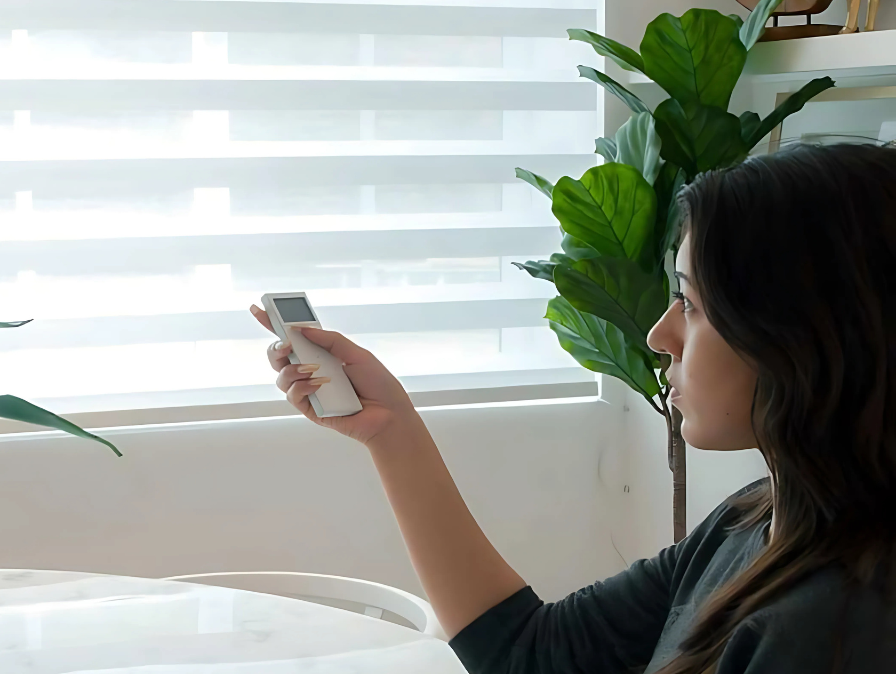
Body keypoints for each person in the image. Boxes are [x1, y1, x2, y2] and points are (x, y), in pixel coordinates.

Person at [250, 143, 896, 673]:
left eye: (692, 305)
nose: (659, 334)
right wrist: (391, 430)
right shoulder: (751, 524)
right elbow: (529, 652)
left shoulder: (830, 629)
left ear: (805, 339)